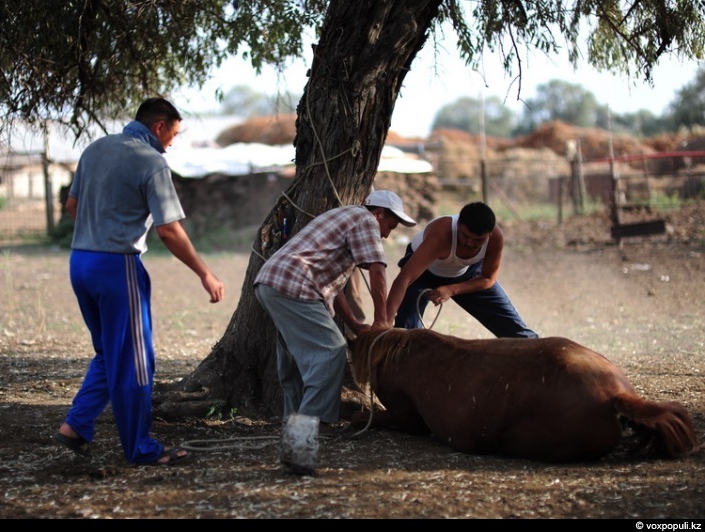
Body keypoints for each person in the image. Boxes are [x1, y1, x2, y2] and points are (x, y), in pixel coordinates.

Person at [53, 97, 225, 466]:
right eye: (173, 135)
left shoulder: (95, 149)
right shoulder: (151, 161)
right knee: (135, 360)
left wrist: (97, 230)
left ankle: (77, 426)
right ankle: (140, 448)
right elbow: (168, 230)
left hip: (80, 261)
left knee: (108, 353)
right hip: (118, 267)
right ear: (159, 126)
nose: (171, 143)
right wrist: (204, 273)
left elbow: (71, 206)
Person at [253, 190, 416, 433]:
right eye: (389, 226)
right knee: (331, 351)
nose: (385, 234)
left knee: (294, 360)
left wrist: (354, 323)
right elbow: (377, 270)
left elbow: (333, 287)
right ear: (379, 214)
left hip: (272, 283)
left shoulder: (343, 217)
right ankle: (313, 424)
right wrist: (382, 320)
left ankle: (294, 423)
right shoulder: (365, 220)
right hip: (294, 284)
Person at [387, 201, 537, 338]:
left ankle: (542, 358)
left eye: (478, 240)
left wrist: (451, 289)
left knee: (518, 332)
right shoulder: (441, 234)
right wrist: (385, 320)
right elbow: (404, 278)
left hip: (466, 273)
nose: (470, 243)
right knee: (405, 333)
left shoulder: (496, 238)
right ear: (458, 224)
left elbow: (487, 279)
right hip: (422, 274)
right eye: (465, 236)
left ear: (489, 234)